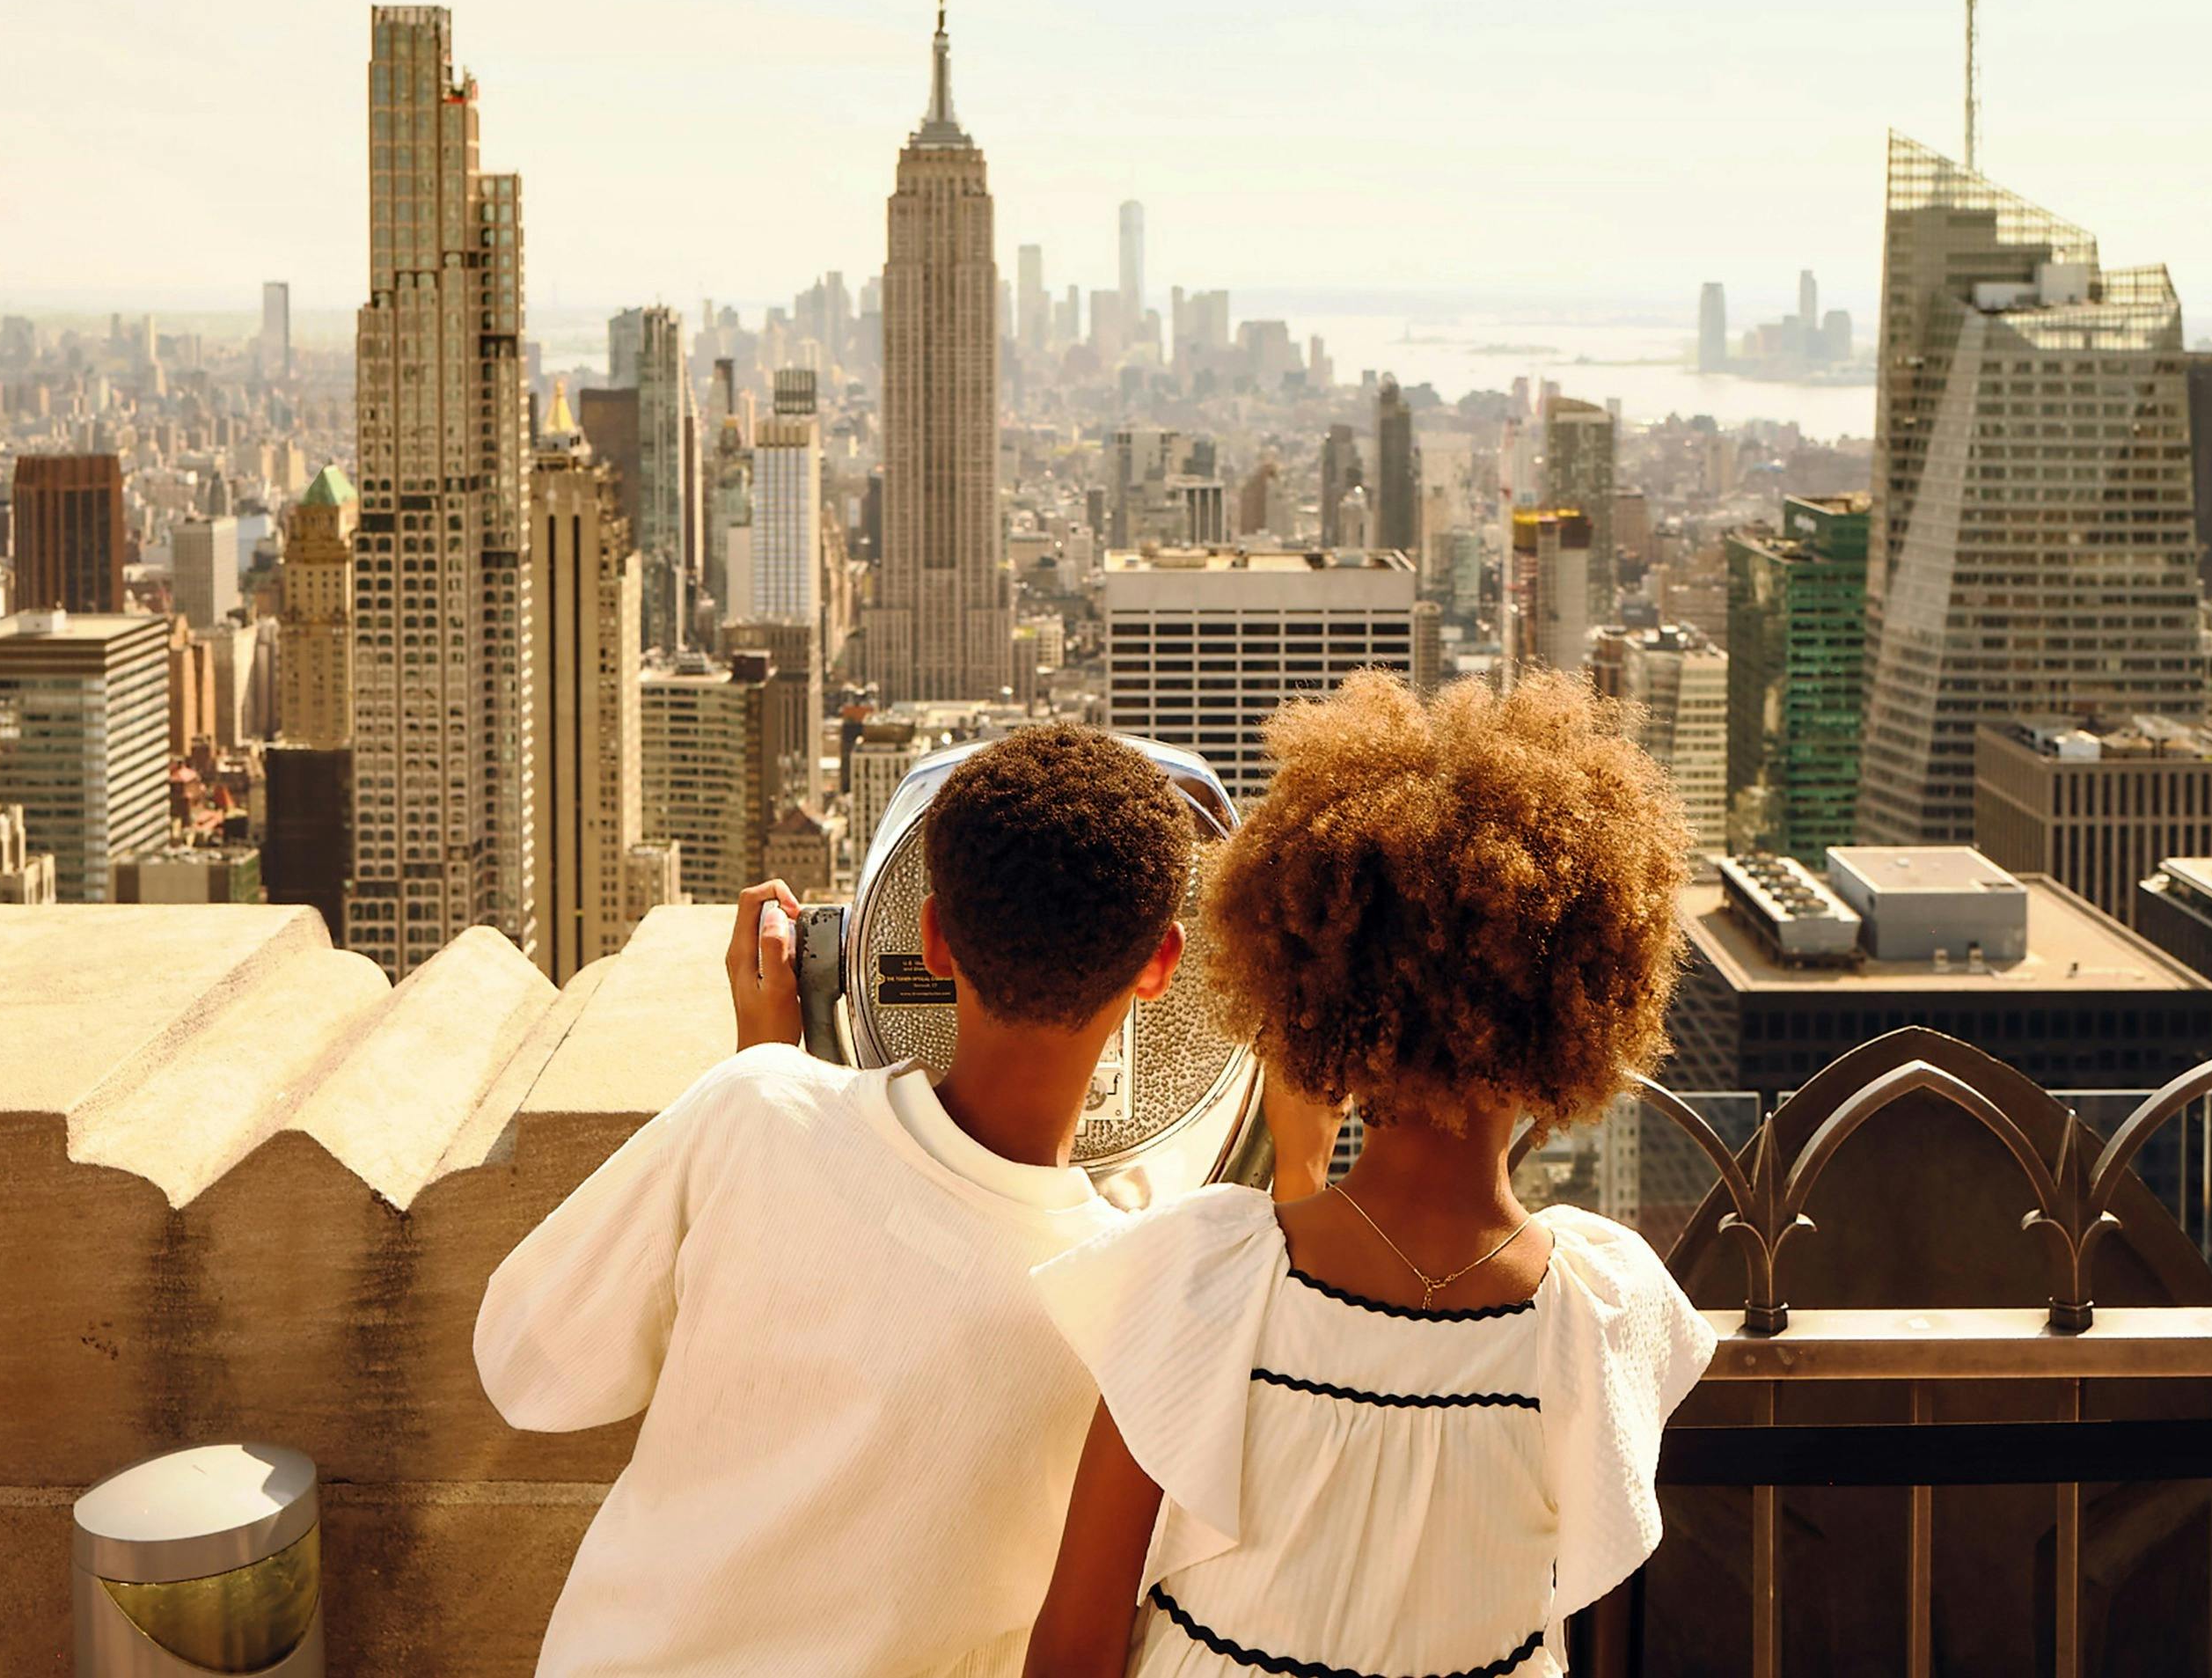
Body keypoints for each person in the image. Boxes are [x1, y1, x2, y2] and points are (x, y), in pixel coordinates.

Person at [475, 722, 1301, 1678]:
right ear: (1162, 965)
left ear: (931, 935)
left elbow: (525, 1368)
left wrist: (767, 1071)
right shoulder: (1138, 1307)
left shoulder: (751, 1110)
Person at [1022, 670, 1718, 1678]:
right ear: (1583, 997)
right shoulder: (1600, 1317)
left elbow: (1075, 1642)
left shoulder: (1201, 1277)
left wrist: (1300, 1162)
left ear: (1316, 987)